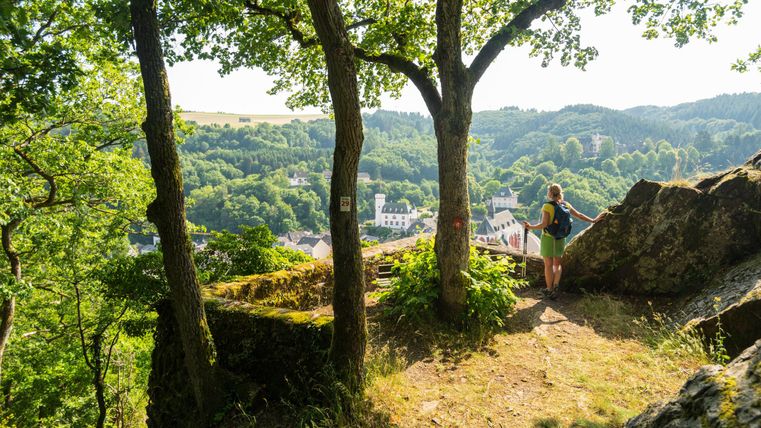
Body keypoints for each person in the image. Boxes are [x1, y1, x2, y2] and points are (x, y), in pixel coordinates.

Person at [522, 183, 605, 299]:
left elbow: (544, 224)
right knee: (557, 264)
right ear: (560, 192)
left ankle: (549, 289)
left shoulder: (547, 206)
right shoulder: (566, 205)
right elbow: (579, 215)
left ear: (550, 193)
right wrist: (593, 220)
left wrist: (530, 227)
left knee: (548, 265)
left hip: (548, 238)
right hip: (561, 237)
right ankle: (556, 286)